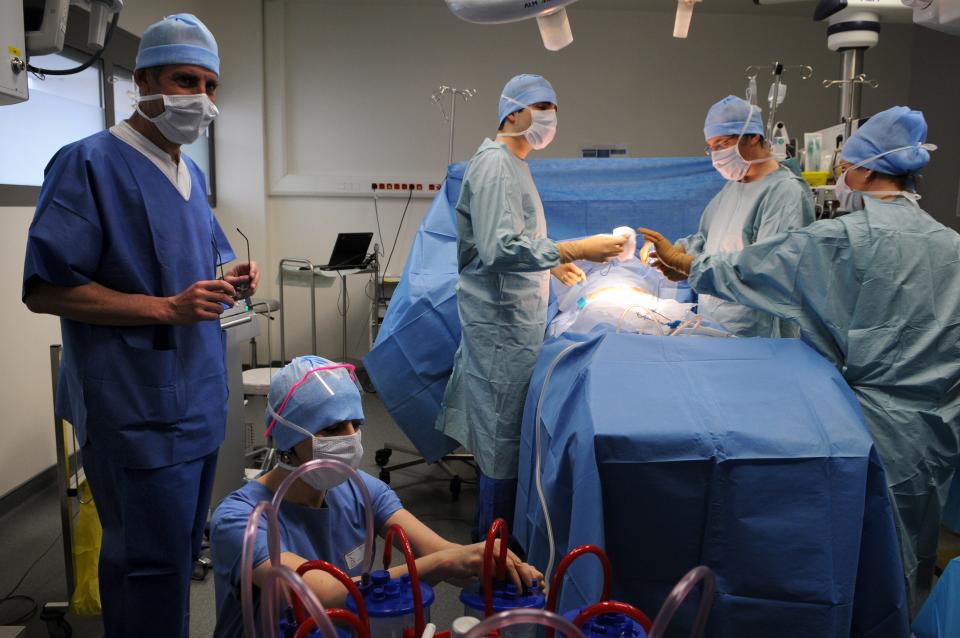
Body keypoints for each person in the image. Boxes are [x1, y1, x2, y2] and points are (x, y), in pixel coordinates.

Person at [640, 106, 960, 611]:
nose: (841, 179)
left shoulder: (845, 238)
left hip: (867, 421)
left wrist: (692, 265)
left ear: (868, 170)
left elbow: (764, 267)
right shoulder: (952, 246)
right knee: (909, 550)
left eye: (846, 168)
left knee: (856, 550)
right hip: (933, 428)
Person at [21, 14, 258, 637]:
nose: (201, 99)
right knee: (145, 566)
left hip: (196, 402)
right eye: (187, 81)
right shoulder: (87, 164)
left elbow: (191, 265)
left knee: (177, 558)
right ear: (144, 80)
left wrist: (231, 276)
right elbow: (45, 289)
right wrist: (165, 309)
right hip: (135, 409)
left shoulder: (188, 172)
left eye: (211, 86)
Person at [210, 356, 542, 635]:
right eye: (331, 429)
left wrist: (483, 562)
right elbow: (322, 593)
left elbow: (439, 550)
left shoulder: (360, 489)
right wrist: (443, 562)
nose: (351, 439)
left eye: (356, 424)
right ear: (288, 436)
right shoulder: (240, 521)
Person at [434, 74, 627, 540]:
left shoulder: (514, 164)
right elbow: (499, 249)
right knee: (501, 447)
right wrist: (573, 249)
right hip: (500, 328)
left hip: (512, 321)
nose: (549, 117)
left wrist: (551, 264)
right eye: (541, 106)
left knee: (504, 441)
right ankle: (490, 562)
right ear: (512, 112)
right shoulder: (496, 164)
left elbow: (516, 238)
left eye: (554, 108)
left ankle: (499, 547)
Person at [649, 95, 814, 337]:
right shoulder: (734, 187)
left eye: (722, 144)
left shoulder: (785, 193)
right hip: (717, 325)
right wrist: (680, 254)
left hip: (757, 336)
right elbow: (707, 240)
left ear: (754, 137)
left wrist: (689, 266)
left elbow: (766, 271)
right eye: (711, 147)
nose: (716, 155)